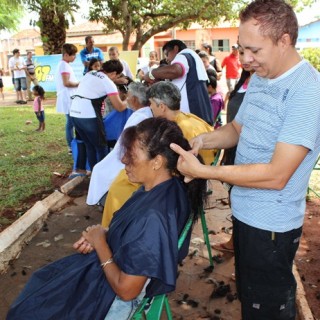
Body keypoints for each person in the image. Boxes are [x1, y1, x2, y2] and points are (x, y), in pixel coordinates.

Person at [170, 0, 320, 319]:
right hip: (246, 214)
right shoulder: (263, 77)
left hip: (271, 227)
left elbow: (278, 175)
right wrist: (204, 140)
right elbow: (238, 128)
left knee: (268, 308)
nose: (246, 59)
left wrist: (206, 172)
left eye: (254, 50)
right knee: (251, 297)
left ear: (284, 40)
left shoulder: (306, 92)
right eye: (241, 49)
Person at [6, 117, 207, 320]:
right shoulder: (170, 187)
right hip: (118, 267)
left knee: (31, 309)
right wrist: (102, 233)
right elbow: (139, 237)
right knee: (43, 285)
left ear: (157, 162)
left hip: (116, 297)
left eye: (131, 155)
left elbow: (127, 291)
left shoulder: (153, 217)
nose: (124, 160)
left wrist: (101, 242)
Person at [102, 81, 216, 227]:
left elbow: (167, 168)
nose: (149, 108)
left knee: (118, 190)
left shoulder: (173, 133)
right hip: (192, 181)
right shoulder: (193, 119)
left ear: (161, 106)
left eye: (151, 104)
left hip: (179, 185)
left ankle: (117, 230)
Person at [87, 82, 152, 207]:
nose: (126, 99)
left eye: (128, 96)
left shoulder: (139, 117)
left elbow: (124, 147)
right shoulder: (145, 113)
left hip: (129, 156)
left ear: (134, 99)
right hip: (132, 153)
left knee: (99, 170)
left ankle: (104, 201)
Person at [69, 60, 127, 170]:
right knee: (101, 147)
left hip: (74, 113)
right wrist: (128, 100)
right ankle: (102, 176)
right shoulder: (108, 83)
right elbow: (119, 107)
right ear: (114, 73)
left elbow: (95, 86)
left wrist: (116, 82)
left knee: (89, 145)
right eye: (117, 76)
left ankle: (93, 174)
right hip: (88, 115)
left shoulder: (90, 73)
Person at [144, 40, 213, 125]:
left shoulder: (184, 55)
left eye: (167, 54)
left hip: (191, 120)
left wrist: (151, 73)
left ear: (176, 49)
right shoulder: (193, 58)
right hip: (197, 119)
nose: (167, 59)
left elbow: (175, 70)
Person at [55, 43, 79, 154]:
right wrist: (79, 84)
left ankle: (72, 144)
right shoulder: (64, 65)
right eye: (73, 55)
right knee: (70, 122)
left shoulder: (65, 64)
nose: (75, 57)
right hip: (67, 97)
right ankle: (70, 145)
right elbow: (66, 83)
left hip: (69, 96)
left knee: (71, 122)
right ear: (65, 55)